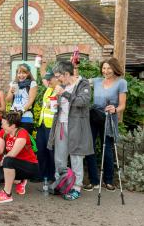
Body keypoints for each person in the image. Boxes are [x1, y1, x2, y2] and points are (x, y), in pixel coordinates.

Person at [47, 61, 94, 200]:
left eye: (59, 76)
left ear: (66, 74)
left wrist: (65, 93)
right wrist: (53, 103)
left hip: (76, 126)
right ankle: (61, 183)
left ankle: (76, 187)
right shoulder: (62, 86)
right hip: (61, 125)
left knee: (76, 156)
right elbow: (61, 105)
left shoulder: (82, 84)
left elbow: (83, 102)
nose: (57, 79)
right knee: (59, 157)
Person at [84, 58, 127, 192]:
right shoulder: (96, 81)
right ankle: (94, 181)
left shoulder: (121, 83)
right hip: (94, 116)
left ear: (114, 68)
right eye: (103, 68)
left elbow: (122, 105)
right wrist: (74, 65)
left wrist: (115, 109)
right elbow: (79, 81)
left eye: (108, 68)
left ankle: (108, 180)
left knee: (107, 149)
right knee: (89, 148)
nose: (106, 71)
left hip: (109, 117)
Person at [0, 112, 39, 203]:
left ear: (12, 126)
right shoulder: (3, 132)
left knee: (8, 161)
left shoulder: (22, 133)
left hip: (30, 166)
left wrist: (4, 159)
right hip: (16, 165)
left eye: (3, 124)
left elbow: (13, 153)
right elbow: (0, 151)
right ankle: (20, 181)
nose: (1, 126)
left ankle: (7, 194)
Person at [36, 69, 58, 183]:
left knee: (51, 152)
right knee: (41, 150)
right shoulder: (49, 88)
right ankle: (42, 175)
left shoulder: (59, 90)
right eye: (47, 79)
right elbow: (44, 79)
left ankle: (52, 176)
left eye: (50, 79)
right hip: (42, 124)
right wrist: (40, 65)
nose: (48, 81)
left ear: (57, 78)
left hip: (52, 126)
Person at [5, 63, 38, 134]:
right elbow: (8, 100)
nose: (21, 75)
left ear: (28, 73)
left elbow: (31, 101)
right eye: (19, 73)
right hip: (13, 116)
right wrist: (11, 92)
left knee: (25, 140)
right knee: (13, 139)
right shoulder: (13, 83)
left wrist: (21, 112)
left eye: (24, 73)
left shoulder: (32, 84)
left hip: (26, 117)